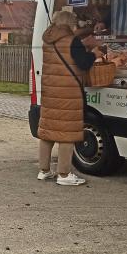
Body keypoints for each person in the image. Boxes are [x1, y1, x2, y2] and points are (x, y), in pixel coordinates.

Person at [37, 10, 103, 186]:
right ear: (69, 24)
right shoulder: (72, 41)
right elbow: (83, 63)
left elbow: (65, 57)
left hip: (51, 93)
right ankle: (64, 174)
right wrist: (94, 54)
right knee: (67, 134)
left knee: (48, 133)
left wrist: (82, 44)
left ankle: (44, 171)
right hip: (68, 94)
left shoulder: (48, 40)